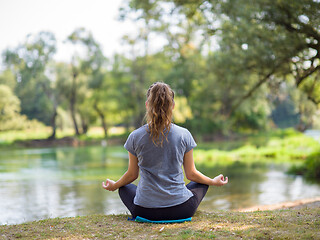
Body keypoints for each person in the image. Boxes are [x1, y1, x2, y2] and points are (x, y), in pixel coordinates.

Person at [102, 82, 228, 221]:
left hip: (144, 211)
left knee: (124, 187)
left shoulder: (135, 136)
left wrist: (115, 185)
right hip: (181, 210)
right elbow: (192, 174)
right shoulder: (184, 134)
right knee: (202, 182)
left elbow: (132, 174)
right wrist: (213, 181)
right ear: (172, 106)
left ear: (147, 105)